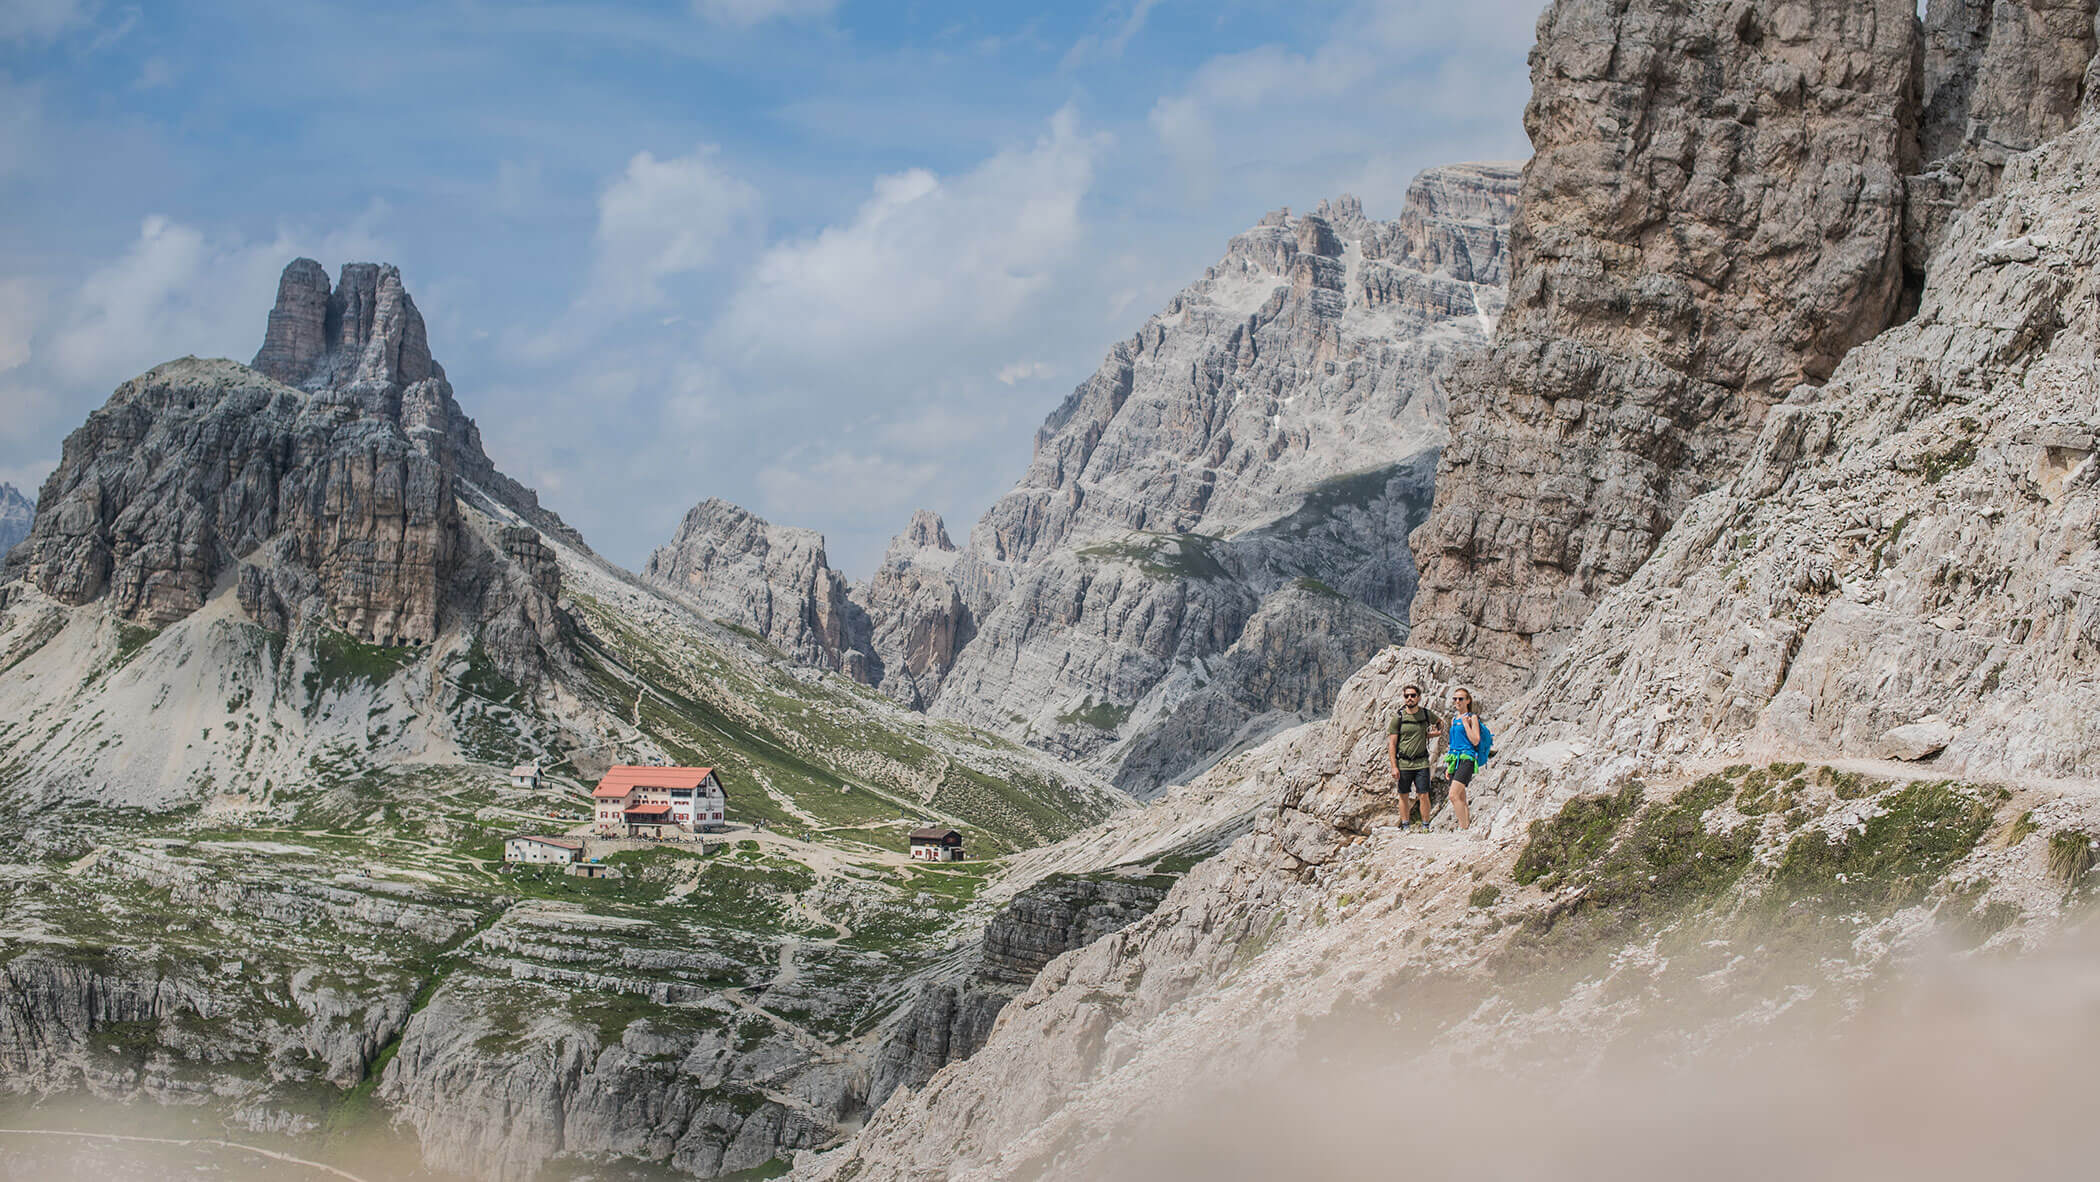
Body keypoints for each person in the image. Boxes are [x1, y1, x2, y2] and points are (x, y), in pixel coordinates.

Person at [1386, 684, 1442, 832]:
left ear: (1418, 697)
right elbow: (1392, 744)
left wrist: (1432, 734)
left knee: (1423, 794)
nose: (1410, 698)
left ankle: (1425, 826)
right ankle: (1405, 825)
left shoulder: (1425, 714)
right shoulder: (1398, 718)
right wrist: (1394, 766)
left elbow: (1440, 722)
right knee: (1403, 795)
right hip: (1403, 763)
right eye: (1407, 696)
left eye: (1412, 695)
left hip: (1421, 761)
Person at [1444, 688, 1489, 831]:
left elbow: (1475, 740)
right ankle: (1466, 827)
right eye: (1455, 699)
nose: (1457, 701)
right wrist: (1448, 765)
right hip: (1454, 759)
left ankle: (1463, 828)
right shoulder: (1453, 720)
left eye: (1461, 699)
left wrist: (1465, 724)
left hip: (1467, 758)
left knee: (1453, 795)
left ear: (1468, 700)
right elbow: (1453, 743)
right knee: (1461, 797)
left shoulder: (1472, 718)